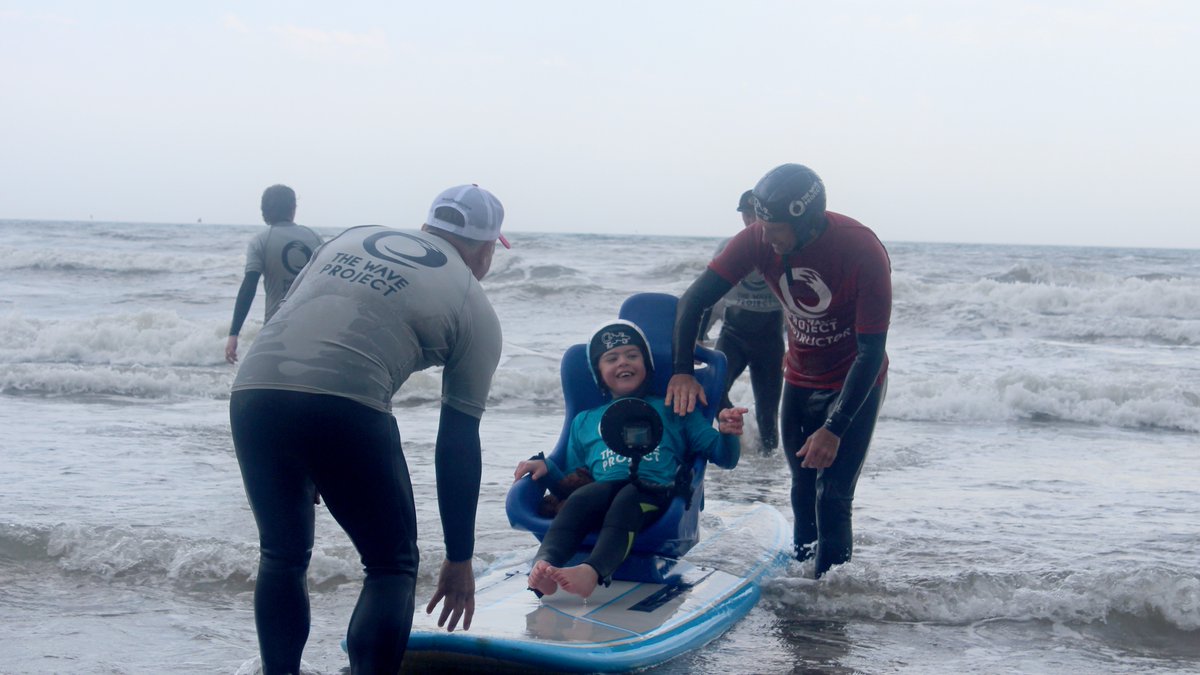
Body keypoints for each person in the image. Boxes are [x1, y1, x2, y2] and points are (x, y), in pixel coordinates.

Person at [229, 184, 510, 674]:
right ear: (486, 250)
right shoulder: (474, 304)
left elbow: (289, 316)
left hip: (254, 392)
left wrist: (304, 453)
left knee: (282, 554)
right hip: (345, 410)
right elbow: (457, 441)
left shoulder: (349, 238)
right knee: (391, 566)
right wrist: (459, 557)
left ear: (426, 228)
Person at [666, 164, 891, 578]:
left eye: (776, 229)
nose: (765, 238)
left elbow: (872, 351)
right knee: (803, 489)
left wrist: (835, 427)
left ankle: (830, 599)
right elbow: (691, 301)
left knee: (834, 495)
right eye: (761, 226)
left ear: (807, 222)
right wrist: (682, 370)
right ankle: (803, 586)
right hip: (801, 377)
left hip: (855, 381)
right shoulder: (758, 238)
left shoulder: (862, 250)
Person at [514, 320, 746, 599]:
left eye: (632, 355)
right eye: (611, 358)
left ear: (647, 366)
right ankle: (546, 565)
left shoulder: (674, 408)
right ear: (599, 373)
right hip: (603, 492)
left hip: (655, 494)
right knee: (582, 498)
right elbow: (572, 480)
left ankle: (592, 572)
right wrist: (546, 468)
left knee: (629, 498)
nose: (623, 362)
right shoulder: (585, 421)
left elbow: (723, 457)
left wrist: (728, 433)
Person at [704, 189, 786, 453]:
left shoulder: (783, 249)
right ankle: (732, 439)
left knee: (768, 414)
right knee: (713, 389)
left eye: (756, 214)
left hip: (770, 338)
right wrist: (698, 335)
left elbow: (798, 304)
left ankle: (765, 472)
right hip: (733, 335)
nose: (752, 221)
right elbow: (708, 296)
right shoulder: (730, 247)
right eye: (746, 215)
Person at [224, 184, 323, 364]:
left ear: (264, 211)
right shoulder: (314, 237)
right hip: (313, 328)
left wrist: (233, 334)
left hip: (276, 329)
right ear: (293, 208)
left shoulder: (261, 241)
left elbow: (248, 287)